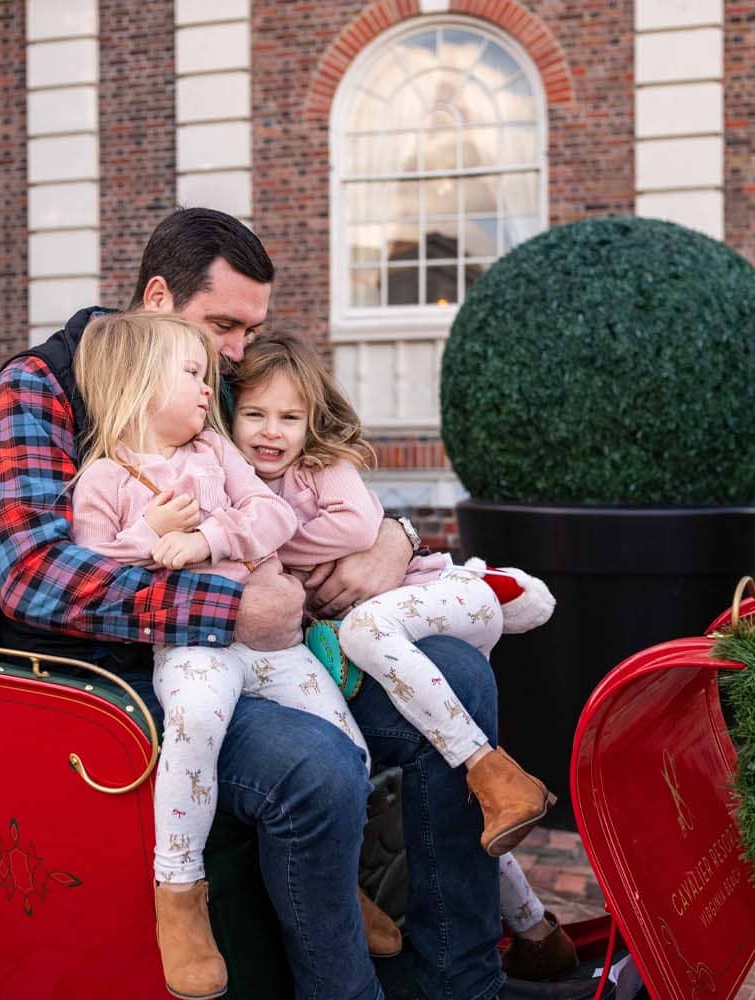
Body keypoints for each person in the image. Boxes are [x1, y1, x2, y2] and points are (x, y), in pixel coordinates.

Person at [0, 207, 510, 1000]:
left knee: (459, 678)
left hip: (285, 637)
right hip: (142, 676)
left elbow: (308, 469)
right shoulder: (40, 385)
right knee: (318, 768)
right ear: (158, 296)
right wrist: (226, 610)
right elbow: (35, 576)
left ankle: (459, 984)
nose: (238, 354)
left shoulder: (217, 378)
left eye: (246, 330)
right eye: (224, 325)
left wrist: (391, 537)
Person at [231, 333, 579, 980]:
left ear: (312, 421)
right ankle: (533, 925)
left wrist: (269, 531)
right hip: (363, 638)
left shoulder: (315, 469)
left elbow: (360, 529)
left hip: (432, 595)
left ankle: (495, 776)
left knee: (372, 636)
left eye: (288, 417)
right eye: (254, 415)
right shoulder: (233, 478)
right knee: (427, 747)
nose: (271, 432)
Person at [70, 312, 371, 998]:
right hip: (190, 643)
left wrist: (207, 538)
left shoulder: (212, 450)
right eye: (193, 375)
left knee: (347, 749)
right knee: (195, 722)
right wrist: (147, 535)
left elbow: (275, 516)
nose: (210, 390)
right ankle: (177, 892)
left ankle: (344, 891)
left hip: (269, 640)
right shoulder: (104, 481)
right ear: (139, 385)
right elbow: (89, 581)